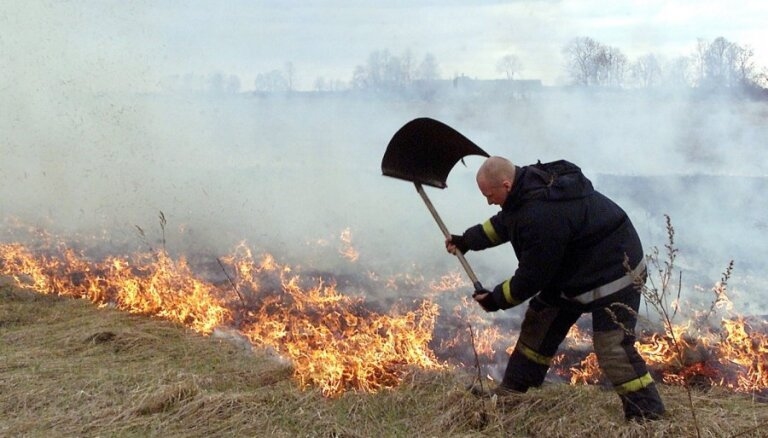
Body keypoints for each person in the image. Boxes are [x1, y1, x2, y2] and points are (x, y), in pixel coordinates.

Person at [445, 156, 665, 422]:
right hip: (573, 270)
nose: (489, 201)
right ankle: (513, 395)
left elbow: (531, 277)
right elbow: (505, 223)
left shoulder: (542, 215)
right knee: (538, 325)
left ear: (506, 184)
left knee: (612, 348)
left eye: (490, 195)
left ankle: (648, 417)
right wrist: (467, 240)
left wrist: (495, 299)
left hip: (616, 272)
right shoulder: (527, 188)